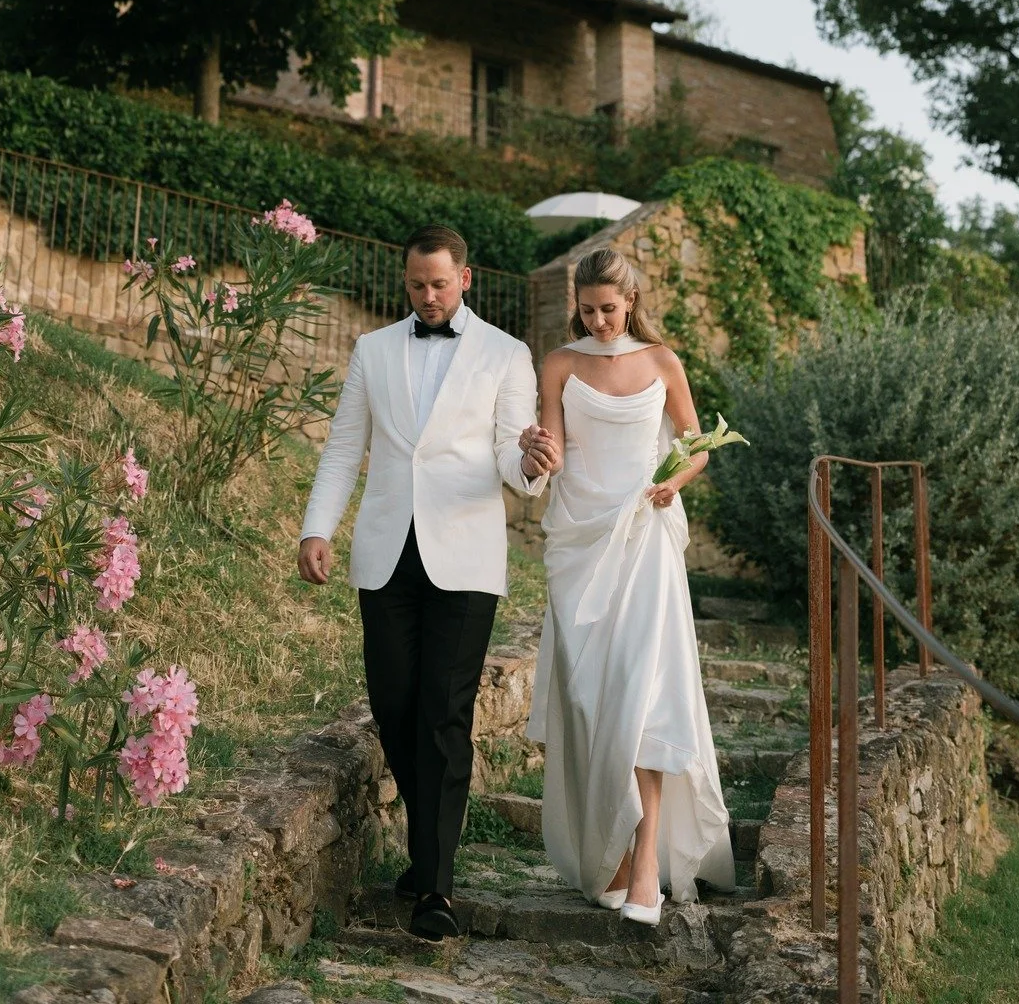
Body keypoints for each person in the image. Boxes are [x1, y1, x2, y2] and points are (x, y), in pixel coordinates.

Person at [297, 223, 561, 941]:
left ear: (464, 279)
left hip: (466, 558)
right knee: (394, 706)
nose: (428, 296)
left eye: (440, 284)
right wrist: (317, 529)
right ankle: (427, 847)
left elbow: (512, 457)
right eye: (417, 285)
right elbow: (344, 447)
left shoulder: (506, 354)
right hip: (385, 553)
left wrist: (530, 462)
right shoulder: (373, 350)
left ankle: (435, 887)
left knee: (443, 714)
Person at [524, 246, 734, 925]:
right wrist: (535, 453)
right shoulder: (559, 364)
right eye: (587, 310)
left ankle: (645, 864)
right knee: (590, 702)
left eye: (608, 309)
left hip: (645, 539)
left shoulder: (663, 362)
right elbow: (553, 454)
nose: (598, 321)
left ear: (631, 301)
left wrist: (674, 483)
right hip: (581, 545)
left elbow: (696, 446)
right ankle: (610, 851)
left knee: (647, 698)